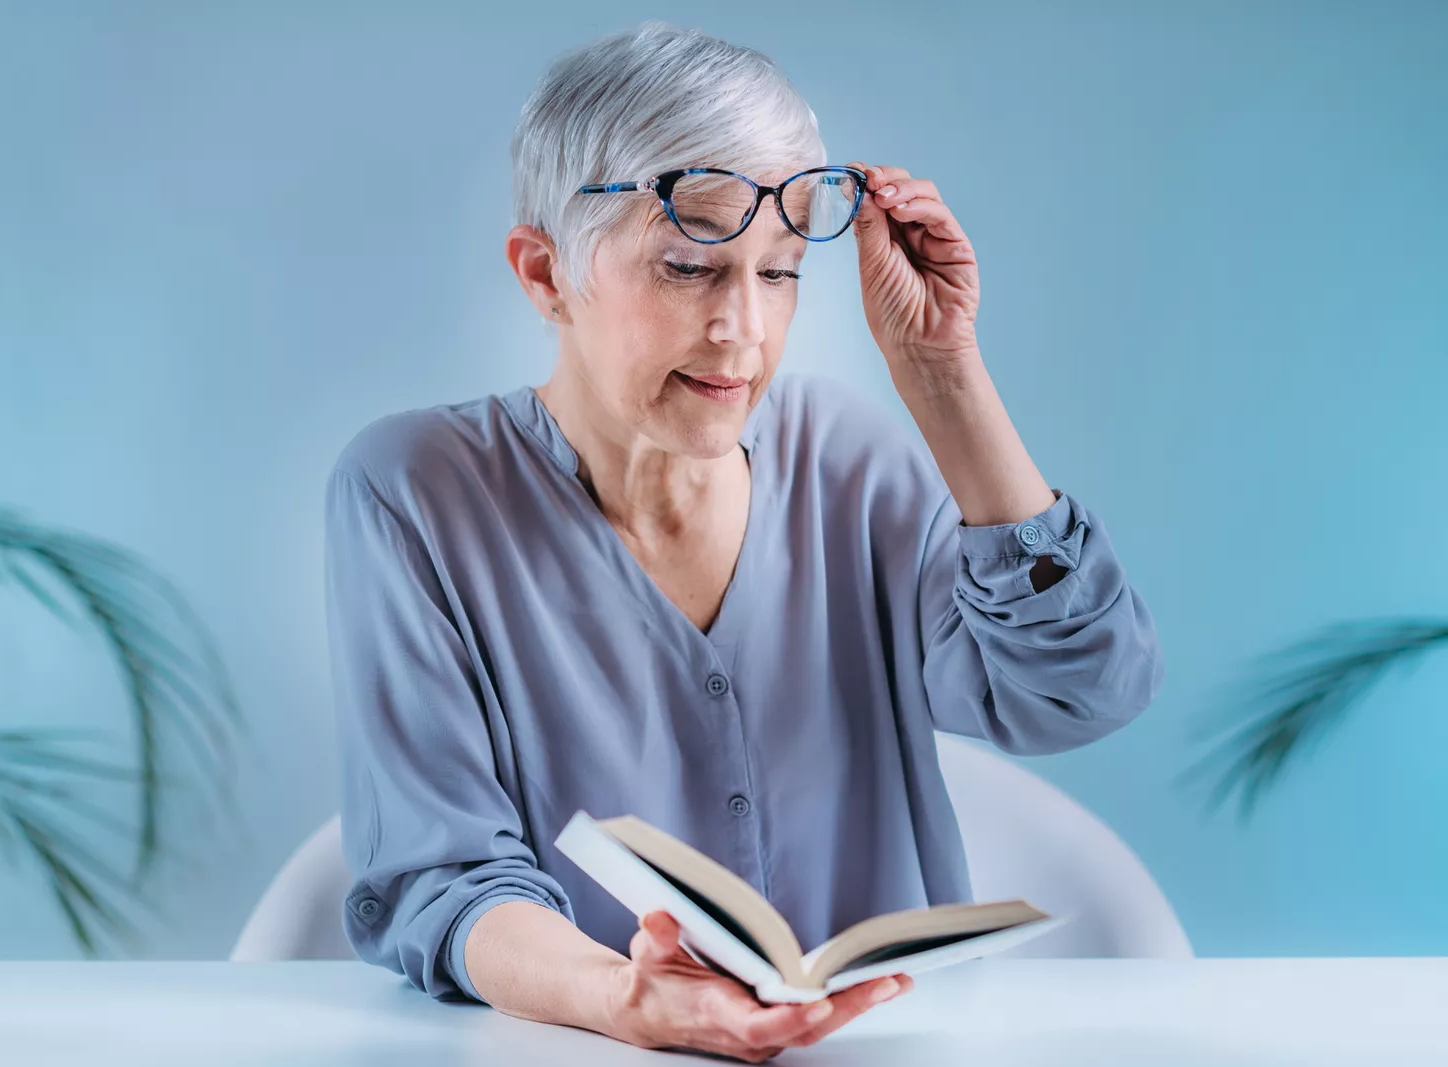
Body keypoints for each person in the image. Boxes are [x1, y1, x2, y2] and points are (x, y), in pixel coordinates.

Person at [323, 20, 1164, 1064]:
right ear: (544, 275)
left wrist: (944, 379)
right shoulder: (417, 493)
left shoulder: (847, 460)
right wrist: (622, 1000)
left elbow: (1078, 692)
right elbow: (442, 878)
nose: (743, 330)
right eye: (687, 267)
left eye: (777, 273)